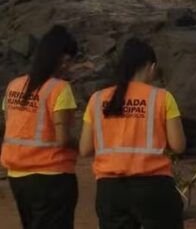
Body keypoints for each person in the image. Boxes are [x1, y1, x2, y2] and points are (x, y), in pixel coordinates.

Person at [79, 38, 186, 229]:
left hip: (110, 190)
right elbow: (178, 145)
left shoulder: (97, 99)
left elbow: (85, 149)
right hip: (153, 186)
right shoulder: (162, 97)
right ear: (151, 67)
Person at [2, 26, 79, 229]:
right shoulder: (59, 88)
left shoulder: (14, 86)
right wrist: (84, 145)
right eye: (68, 60)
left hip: (17, 176)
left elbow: (10, 124)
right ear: (59, 58)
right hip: (51, 176)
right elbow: (63, 139)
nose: (69, 66)